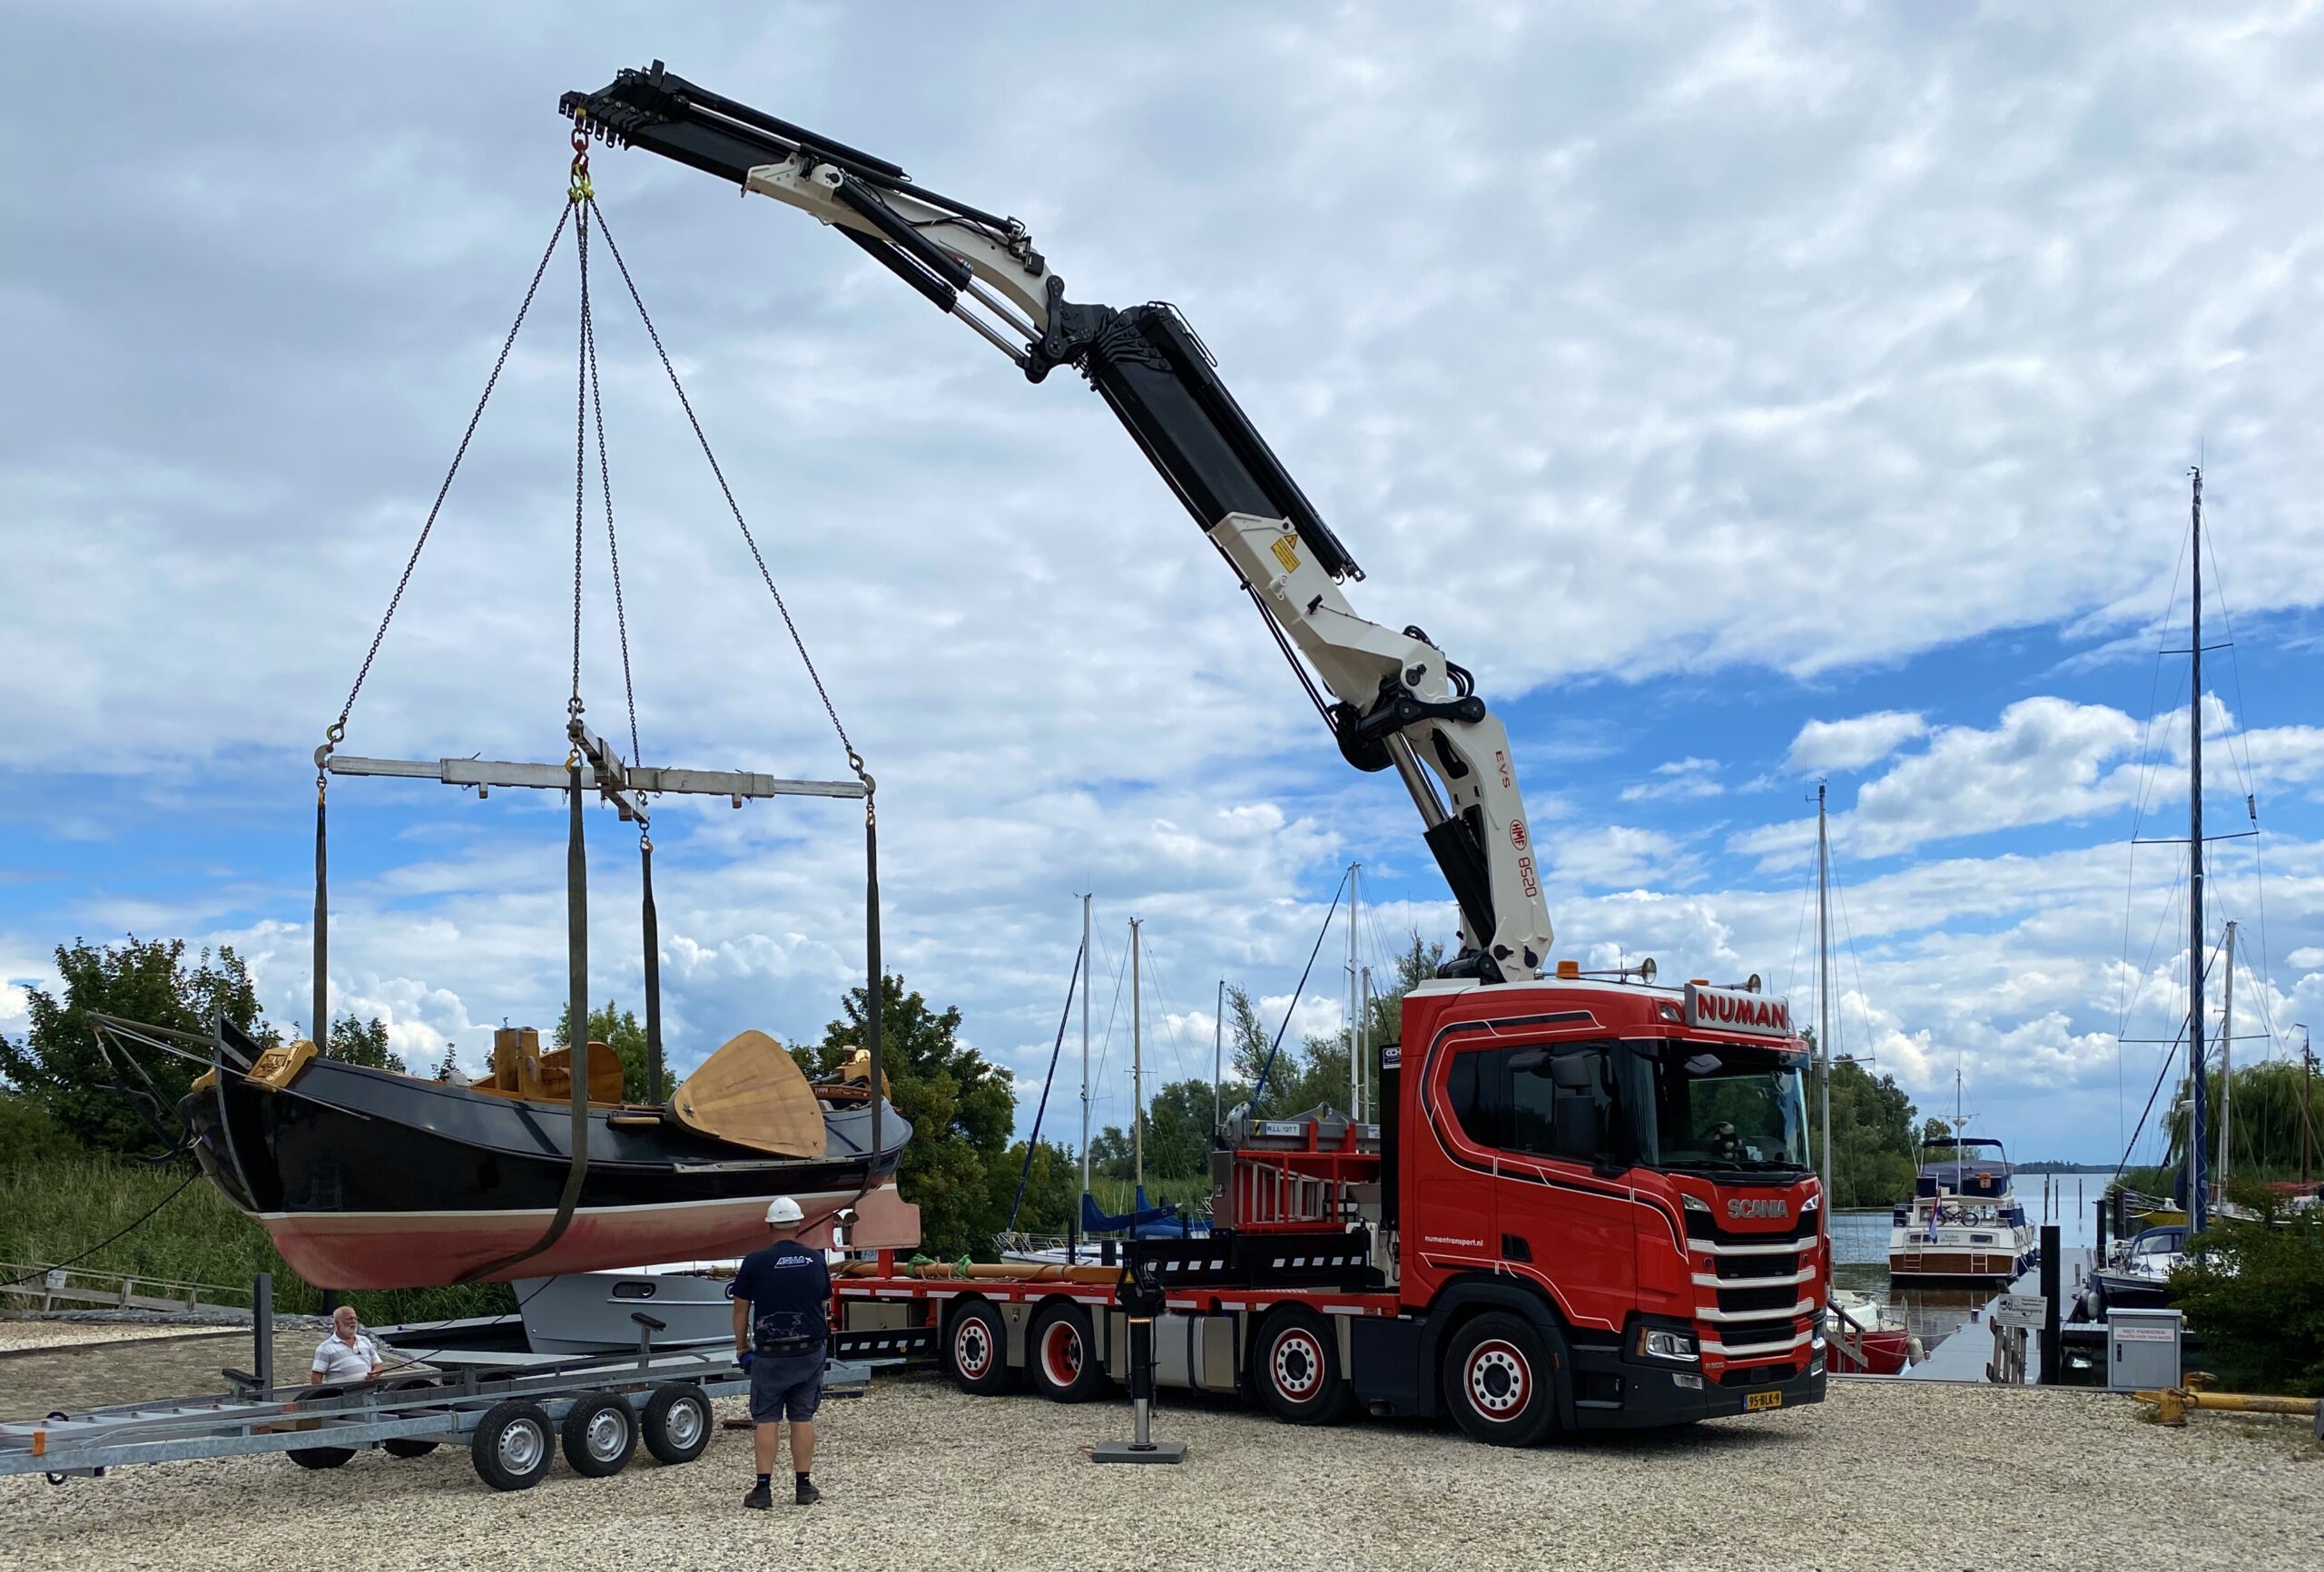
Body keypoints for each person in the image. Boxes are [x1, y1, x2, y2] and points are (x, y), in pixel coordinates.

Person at [730, 1195, 831, 1509]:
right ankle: (803, 1486)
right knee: (802, 1416)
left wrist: (742, 1348)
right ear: (799, 1224)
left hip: (770, 1354)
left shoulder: (755, 1261)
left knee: (767, 1418)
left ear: (770, 1225)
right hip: (808, 1351)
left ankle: (763, 1489)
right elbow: (823, 1304)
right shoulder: (815, 1260)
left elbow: (740, 1308)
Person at [310, 1303, 382, 1385]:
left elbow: (378, 1364)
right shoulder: (325, 1348)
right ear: (337, 1323)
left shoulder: (365, 1341)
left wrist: (375, 1373)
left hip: (368, 1394)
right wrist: (324, 1395)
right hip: (341, 1396)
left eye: (355, 1318)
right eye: (349, 1319)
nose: (353, 1321)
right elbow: (316, 1378)